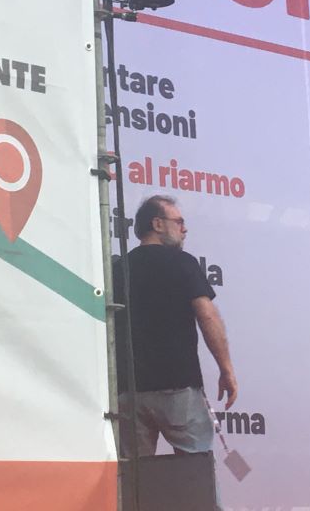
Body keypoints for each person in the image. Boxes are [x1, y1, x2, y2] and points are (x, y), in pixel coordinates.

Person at [113, 194, 237, 457]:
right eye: (179, 222)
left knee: (136, 474)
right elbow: (207, 316)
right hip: (177, 386)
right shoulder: (183, 263)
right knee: (193, 468)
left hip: (128, 391)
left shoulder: (117, 269)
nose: (185, 229)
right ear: (157, 224)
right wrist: (226, 369)